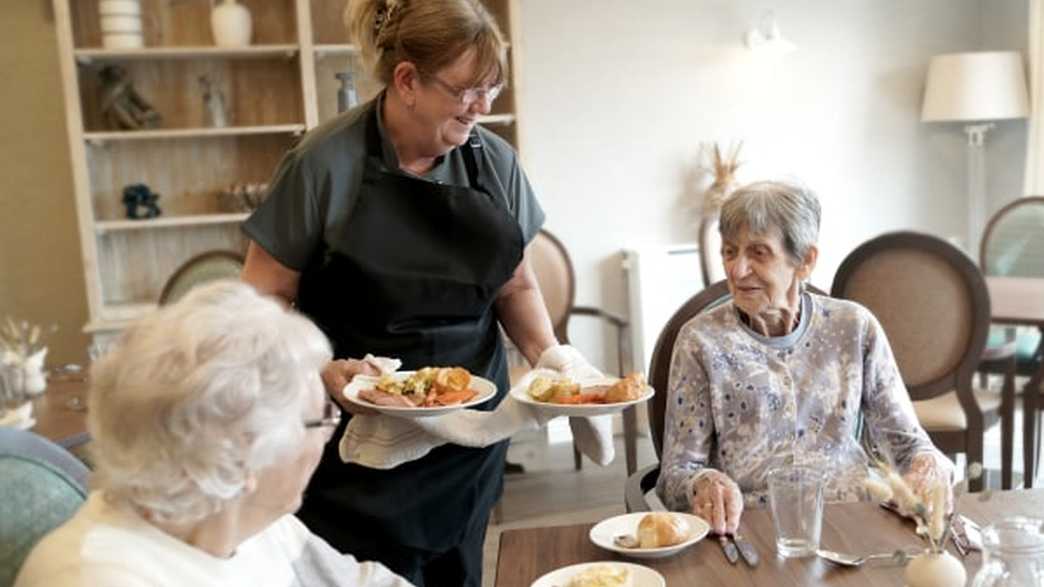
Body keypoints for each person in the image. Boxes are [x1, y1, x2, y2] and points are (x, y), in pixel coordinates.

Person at [239, 1, 597, 584]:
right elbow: (259, 302)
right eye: (467, 91)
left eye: (492, 89)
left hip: (466, 439)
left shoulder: (494, 164)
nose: (483, 107)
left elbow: (517, 284)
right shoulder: (323, 165)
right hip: (355, 449)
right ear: (407, 81)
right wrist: (320, 372)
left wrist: (553, 358)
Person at [15, 281, 411, 587]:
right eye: (322, 419)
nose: (328, 437)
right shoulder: (95, 576)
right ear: (243, 457)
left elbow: (360, 582)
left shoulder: (253, 519)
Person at [656, 181, 954, 535]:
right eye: (730, 252)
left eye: (758, 253)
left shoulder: (854, 328)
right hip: (750, 532)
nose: (737, 270)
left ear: (805, 261)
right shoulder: (700, 341)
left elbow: (909, 444)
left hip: (851, 521)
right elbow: (675, 475)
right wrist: (703, 483)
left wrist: (929, 465)